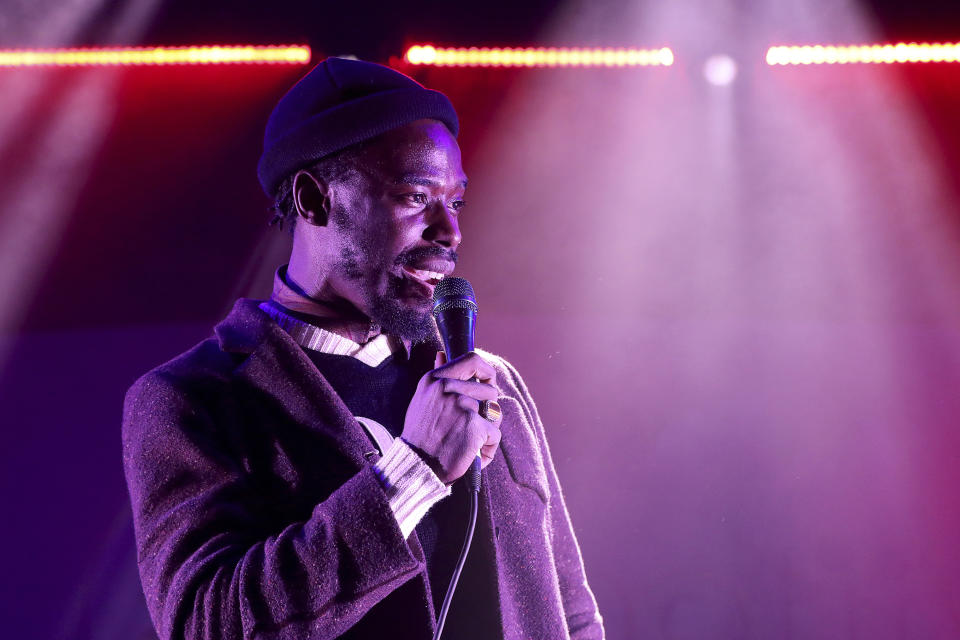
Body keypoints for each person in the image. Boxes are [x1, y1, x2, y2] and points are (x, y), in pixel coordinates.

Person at [122, 56, 604, 640]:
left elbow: (570, 611)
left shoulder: (489, 383)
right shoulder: (194, 400)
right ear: (313, 200)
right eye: (414, 196)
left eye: (455, 202)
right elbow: (210, 624)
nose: (449, 232)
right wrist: (415, 470)